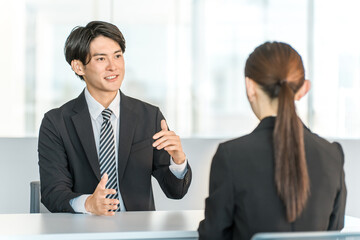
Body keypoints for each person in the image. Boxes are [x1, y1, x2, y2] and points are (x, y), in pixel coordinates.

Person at [38, 21, 191, 216]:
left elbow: (175, 192)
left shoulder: (149, 117)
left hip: (139, 233)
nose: (113, 66)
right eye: (101, 59)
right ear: (78, 67)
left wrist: (178, 160)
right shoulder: (56, 123)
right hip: (84, 231)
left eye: (118, 56)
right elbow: (52, 192)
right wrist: (88, 204)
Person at [198, 42, 346, 239]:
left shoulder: (231, 156)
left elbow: (212, 235)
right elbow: (334, 232)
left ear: (250, 87)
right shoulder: (332, 155)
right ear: (302, 89)